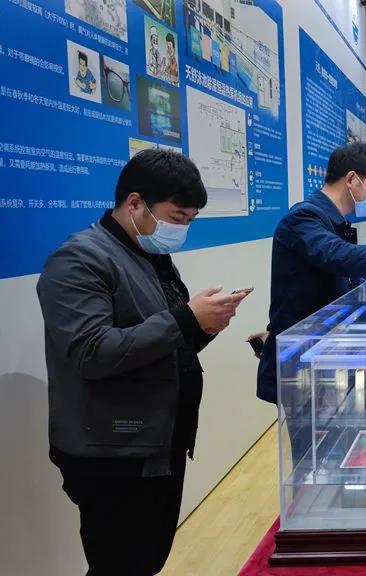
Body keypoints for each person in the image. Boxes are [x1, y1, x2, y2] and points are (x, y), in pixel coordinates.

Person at [36, 149, 249, 576]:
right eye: (177, 217)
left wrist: (202, 328)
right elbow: (91, 353)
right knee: (119, 563)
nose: (182, 229)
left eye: (190, 220)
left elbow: (158, 344)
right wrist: (186, 318)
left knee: (146, 558)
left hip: (157, 443)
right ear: (135, 203)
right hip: (112, 453)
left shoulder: (150, 257)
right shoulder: (79, 260)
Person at [257, 142, 366, 404]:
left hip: (324, 358)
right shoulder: (304, 218)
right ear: (352, 179)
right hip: (301, 362)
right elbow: (337, 254)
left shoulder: (333, 222)